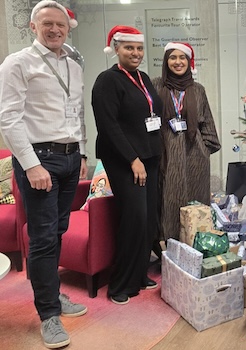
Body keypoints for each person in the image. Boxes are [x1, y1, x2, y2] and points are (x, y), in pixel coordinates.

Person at [0, 1, 87, 348]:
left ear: (68, 28)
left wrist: (81, 152)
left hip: (68, 158)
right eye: (47, 24)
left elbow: (75, 110)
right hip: (40, 159)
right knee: (43, 238)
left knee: (59, 232)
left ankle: (52, 294)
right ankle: (49, 314)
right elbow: (9, 118)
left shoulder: (73, 63)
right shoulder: (18, 63)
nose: (54, 30)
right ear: (33, 27)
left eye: (60, 25)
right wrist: (31, 164)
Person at [91, 25, 164, 305]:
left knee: (147, 221)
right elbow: (108, 126)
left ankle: (138, 273)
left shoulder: (143, 78)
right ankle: (121, 284)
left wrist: (151, 155)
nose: (135, 53)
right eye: (129, 48)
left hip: (149, 158)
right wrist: (133, 159)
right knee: (133, 218)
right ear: (117, 49)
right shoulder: (107, 80)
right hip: (125, 161)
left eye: (139, 48)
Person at [152, 42, 221, 242]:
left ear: (189, 62)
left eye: (182, 58)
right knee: (168, 199)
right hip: (167, 153)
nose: (178, 62)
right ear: (166, 62)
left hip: (194, 154)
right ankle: (170, 244)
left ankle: (198, 242)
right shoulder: (156, 85)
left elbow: (207, 120)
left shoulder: (198, 89)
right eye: (173, 58)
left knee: (196, 201)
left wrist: (204, 150)